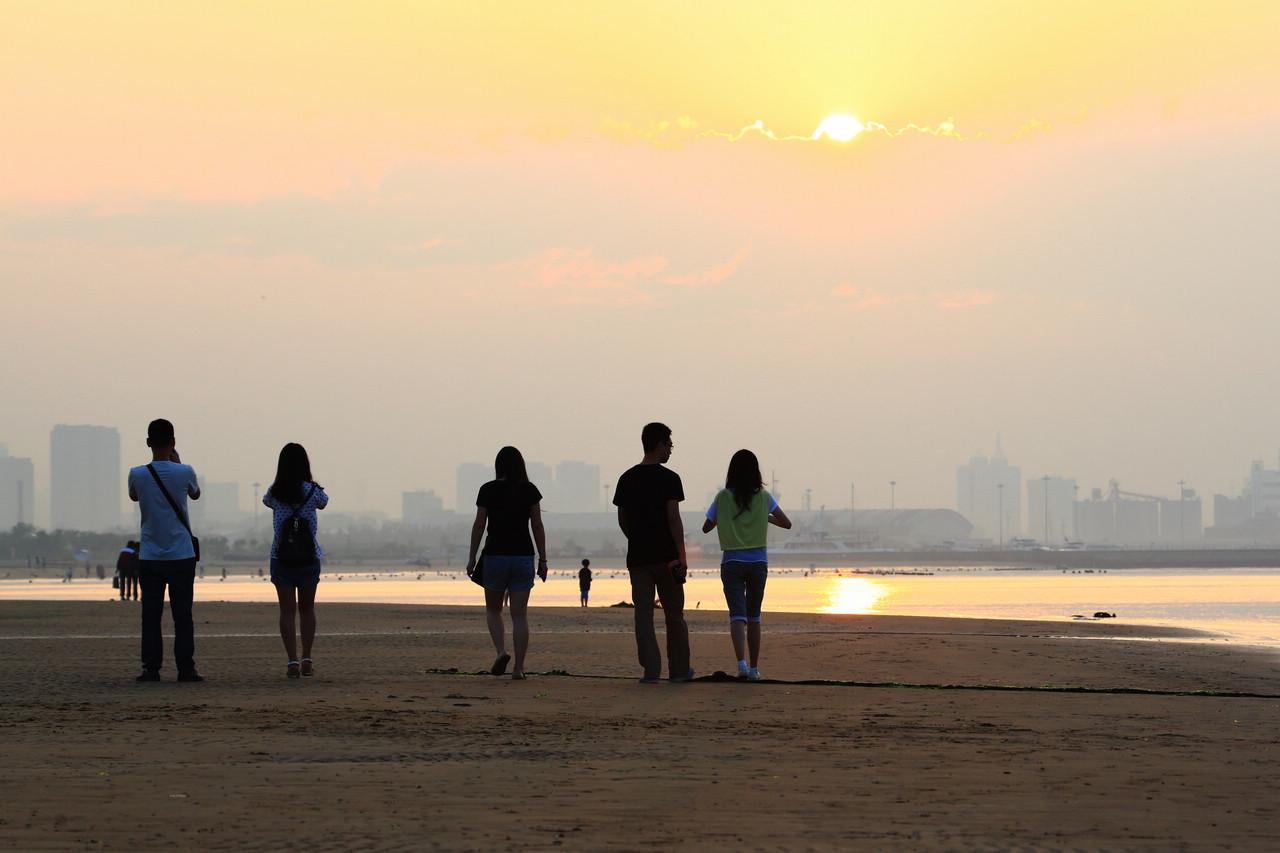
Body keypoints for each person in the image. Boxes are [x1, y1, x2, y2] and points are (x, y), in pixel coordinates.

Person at [702, 449, 792, 681]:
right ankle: (754, 669)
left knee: (737, 616)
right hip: (758, 562)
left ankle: (741, 665)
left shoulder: (722, 497)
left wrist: (724, 518)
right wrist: (765, 517)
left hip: (731, 560)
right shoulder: (764, 497)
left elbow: (706, 527)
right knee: (754, 616)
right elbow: (786, 523)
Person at [613, 422, 692, 684]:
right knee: (674, 615)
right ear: (659, 444)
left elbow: (622, 519)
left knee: (643, 615)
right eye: (669, 444)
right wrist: (682, 555)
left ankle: (651, 670)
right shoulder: (670, 479)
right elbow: (673, 519)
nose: (671, 450)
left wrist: (636, 539)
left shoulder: (626, 479)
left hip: (638, 557)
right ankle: (679, 670)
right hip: (667, 557)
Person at [127, 418, 202, 682]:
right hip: (181, 554)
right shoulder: (185, 471)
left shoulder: (136, 473)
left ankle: (151, 668)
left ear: (148, 443)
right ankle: (185, 668)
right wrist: (177, 463)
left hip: (150, 554)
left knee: (151, 614)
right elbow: (195, 494)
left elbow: (135, 496)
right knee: (183, 614)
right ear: (173, 443)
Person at [465, 446, 548, 680]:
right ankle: (519, 669)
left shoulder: (488, 490)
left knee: (493, 610)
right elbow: (537, 526)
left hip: (495, 556)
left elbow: (479, 525)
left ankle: (501, 652)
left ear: (498, 466)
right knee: (519, 615)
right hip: (523, 556)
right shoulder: (530, 490)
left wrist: (472, 557)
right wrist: (543, 559)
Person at [263, 443, 329, 679]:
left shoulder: (275, 491)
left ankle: (292, 661)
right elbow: (324, 501)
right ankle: (307, 658)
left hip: (281, 557)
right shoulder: (312, 491)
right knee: (307, 609)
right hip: (309, 557)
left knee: (287, 611)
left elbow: (266, 501)